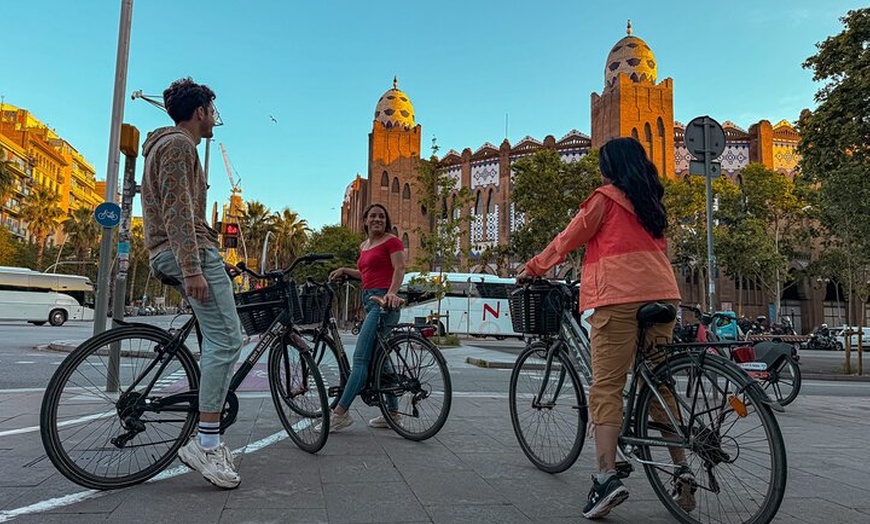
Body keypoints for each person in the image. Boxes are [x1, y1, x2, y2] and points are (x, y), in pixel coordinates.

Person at [518, 137, 693, 519]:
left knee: (606, 386)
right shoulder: (652, 204)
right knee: (659, 384)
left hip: (619, 297)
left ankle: (605, 478)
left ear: (611, 167)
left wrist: (532, 268)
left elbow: (568, 239)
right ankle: (682, 467)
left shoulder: (605, 198)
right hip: (664, 295)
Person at [141, 77, 243, 489]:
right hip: (189, 253)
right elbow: (179, 211)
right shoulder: (181, 145)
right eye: (212, 110)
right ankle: (205, 442)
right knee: (228, 341)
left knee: (213, 340)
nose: (215, 118)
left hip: (184, 251)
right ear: (199, 112)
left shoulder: (162, 146)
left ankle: (208, 431)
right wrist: (193, 268)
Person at [327, 203, 406, 431]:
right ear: (365, 221)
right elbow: (365, 274)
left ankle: (340, 413)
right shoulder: (365, 245)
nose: (377, 219)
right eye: (373, 216)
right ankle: (393, 414)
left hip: (383, 304)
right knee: (382, 360)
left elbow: (399, 269)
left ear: (386, 220)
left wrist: (391, 292)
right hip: (369, 300)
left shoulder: (392, 241)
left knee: (361, 360)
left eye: (382, 216)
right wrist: (344, 270)